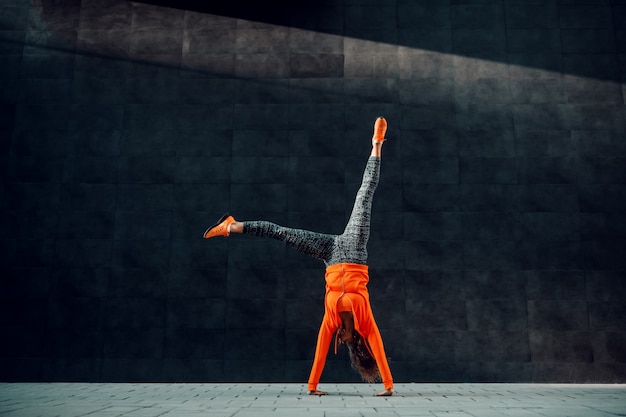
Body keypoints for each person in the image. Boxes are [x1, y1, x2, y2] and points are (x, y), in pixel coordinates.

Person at [204, 117, 394, 396]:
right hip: (353, 252)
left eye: (339, 340)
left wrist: (312, 387)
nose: (339, 339)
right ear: (356, 340)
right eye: (345, 341)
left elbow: (319, 352)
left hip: (329, 255)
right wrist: (389, 386)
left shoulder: (331, 321)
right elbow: (378, 346)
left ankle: (231, 226)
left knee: (283, 233)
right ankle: (376, 145)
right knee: (364, 196)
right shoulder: (365, 324)